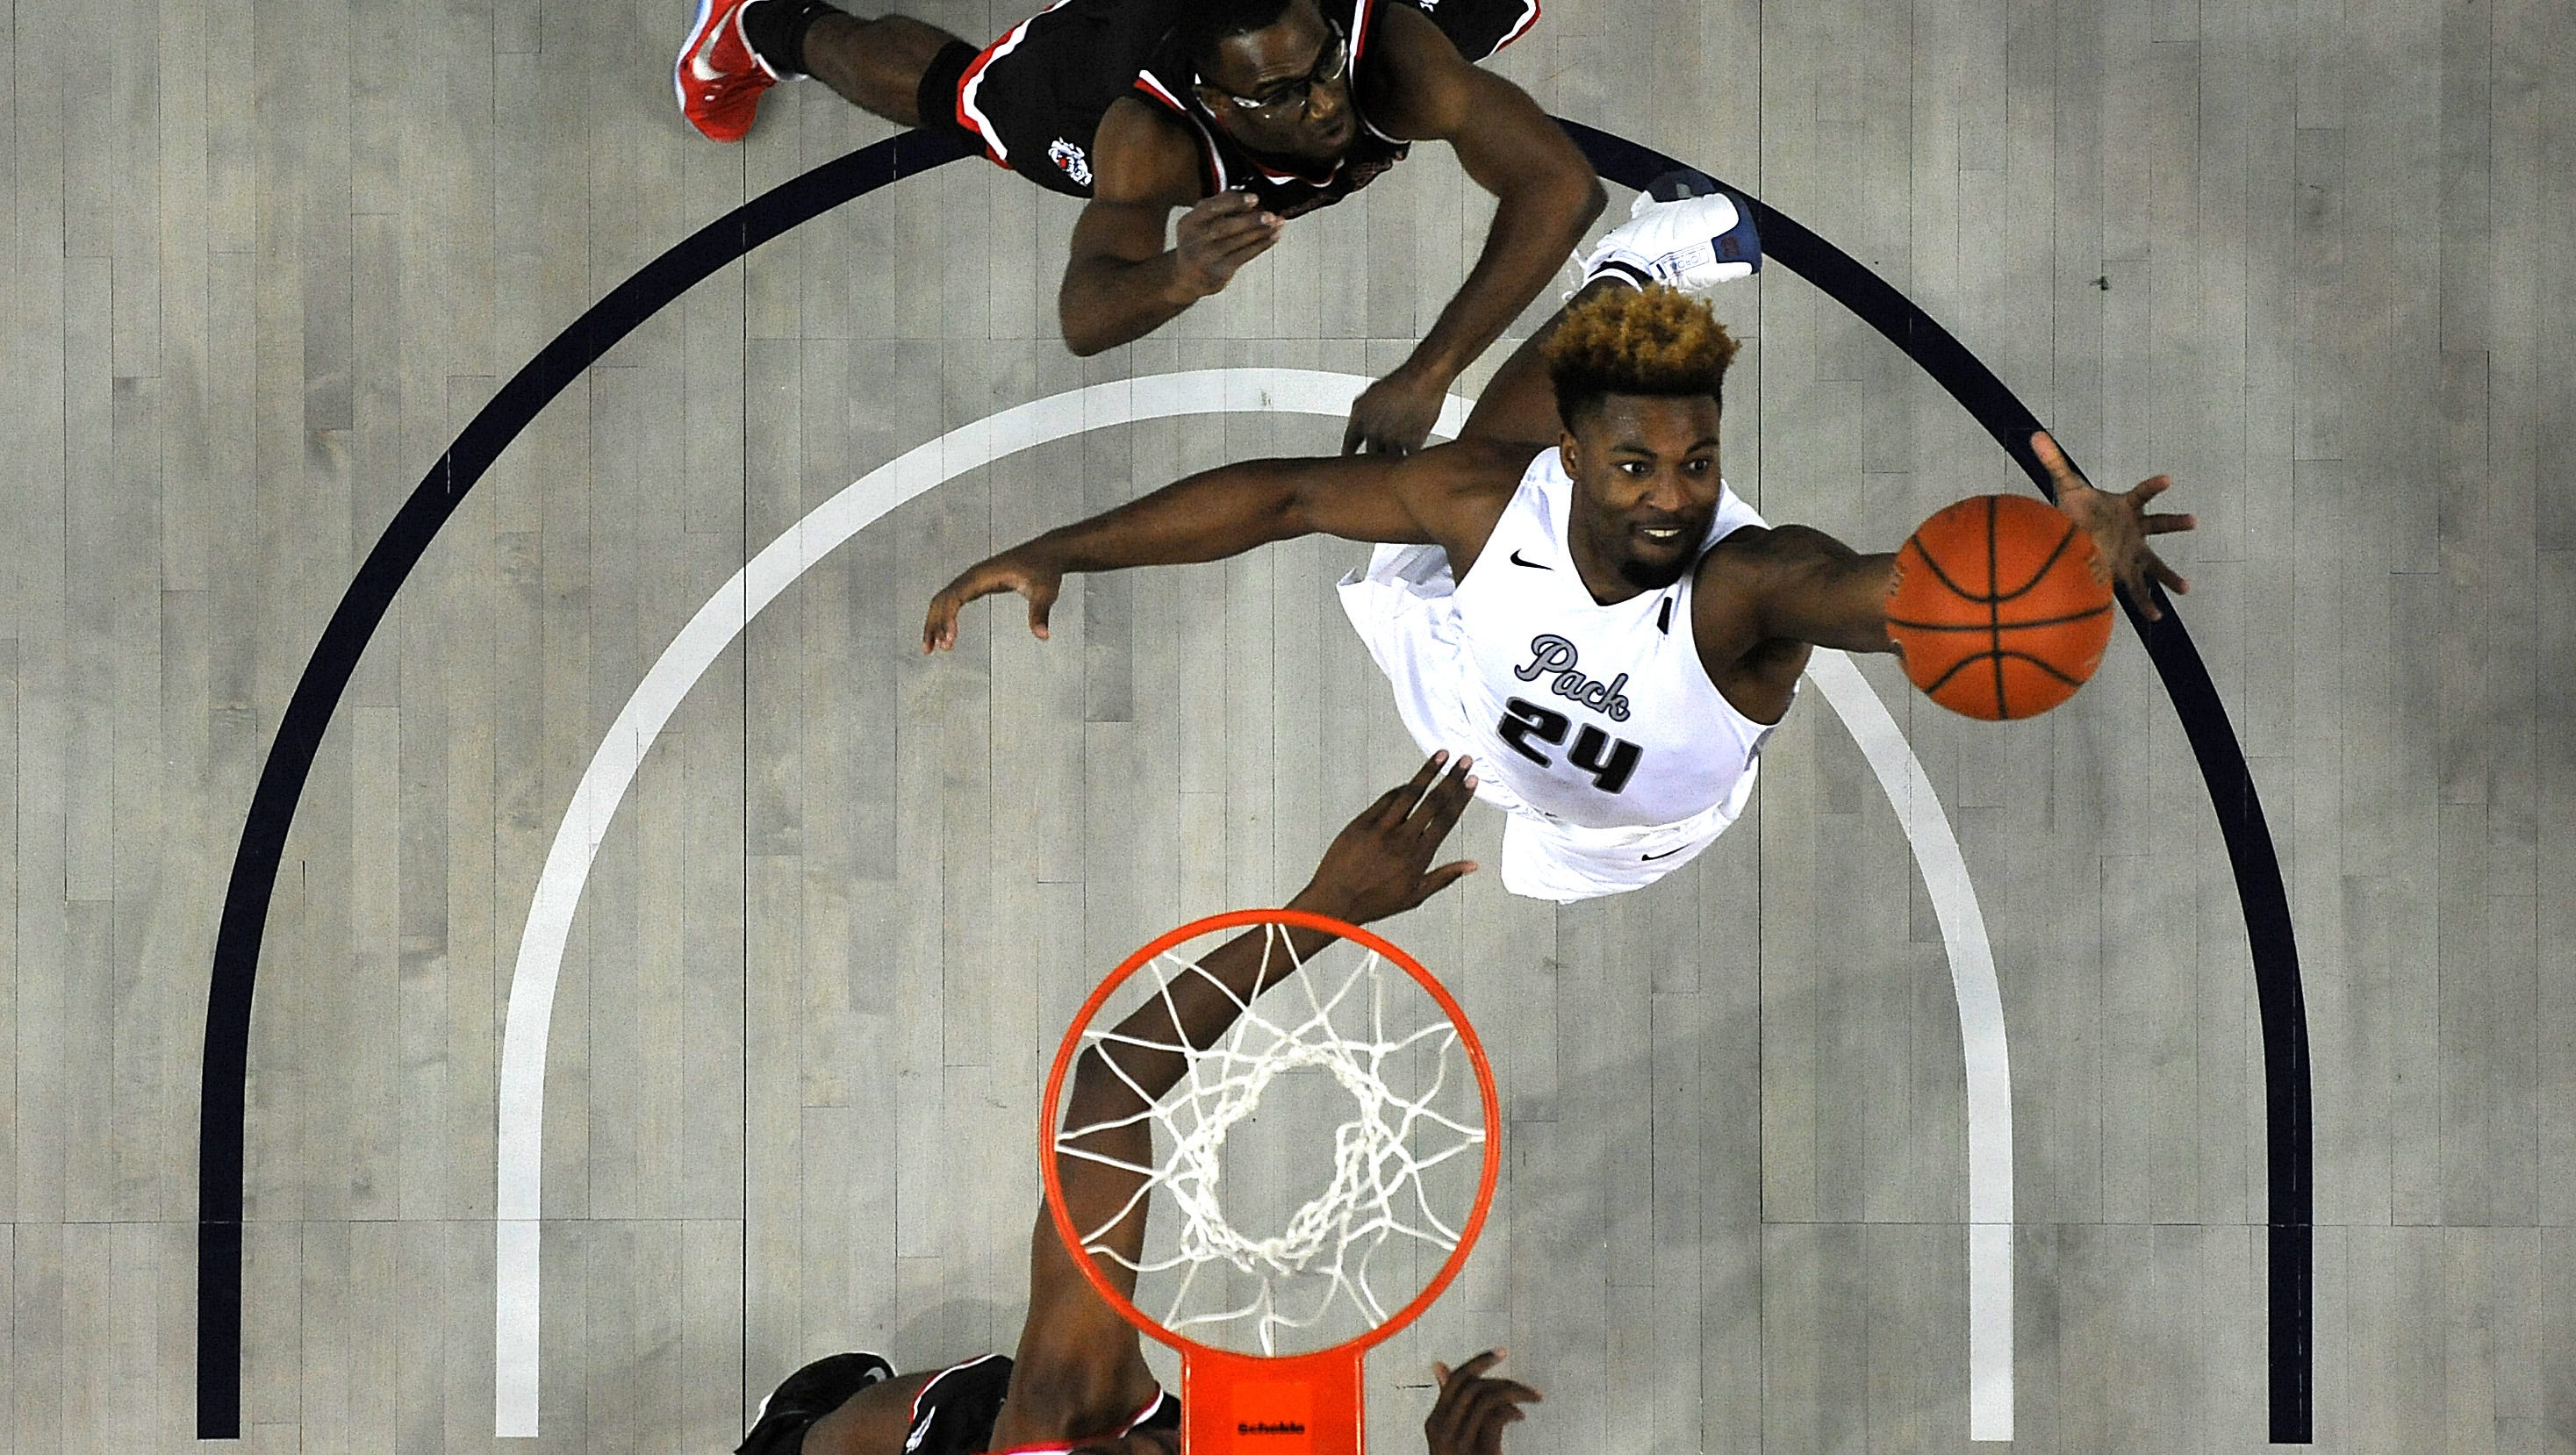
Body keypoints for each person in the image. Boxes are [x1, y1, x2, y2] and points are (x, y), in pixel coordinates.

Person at [920, 266, 2195, 902]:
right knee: (1464, 469)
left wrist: (2061, 560)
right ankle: (1625, 284)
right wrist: (1064, 547)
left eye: (1697, 461)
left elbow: (1892, 597)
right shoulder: (1498, 497)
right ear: (1579, 460)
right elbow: (1285, 498)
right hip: (1466, 699)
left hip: (1629, 834)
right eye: (1635, 463)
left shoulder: (1743, 589)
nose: (1671, 496)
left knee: (1472, 493)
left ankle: (1628, 286)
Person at [738, 754, 1544, 1455]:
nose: (1137, 1447)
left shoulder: (1063, 1404)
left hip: (970, 1426)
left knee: (874, 1426)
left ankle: (794, 1431)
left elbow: (1114, 1082)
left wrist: (1325, 909)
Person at [676, 0, 1605, 454]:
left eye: (1324, 66)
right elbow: (1084, 317)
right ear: (1217, 102)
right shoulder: (1148, 136)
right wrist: (1179, 275)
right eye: (1282, 94)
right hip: (1108, 56)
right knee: (966, 98)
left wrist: (1427, 374)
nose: (1327, 102)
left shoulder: (1390, 55)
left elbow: (1562, 188)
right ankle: (763, 26)